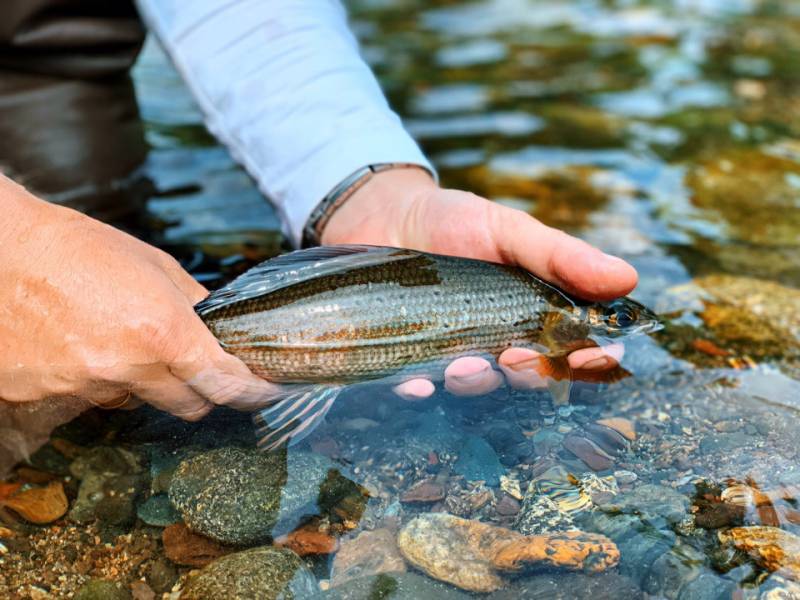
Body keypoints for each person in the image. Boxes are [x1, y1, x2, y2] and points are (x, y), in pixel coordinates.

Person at [0, 1, 637, 458]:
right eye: (611, 321)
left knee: (103, 282)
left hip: (44, 47)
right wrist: (18, 247)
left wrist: (365, 188)